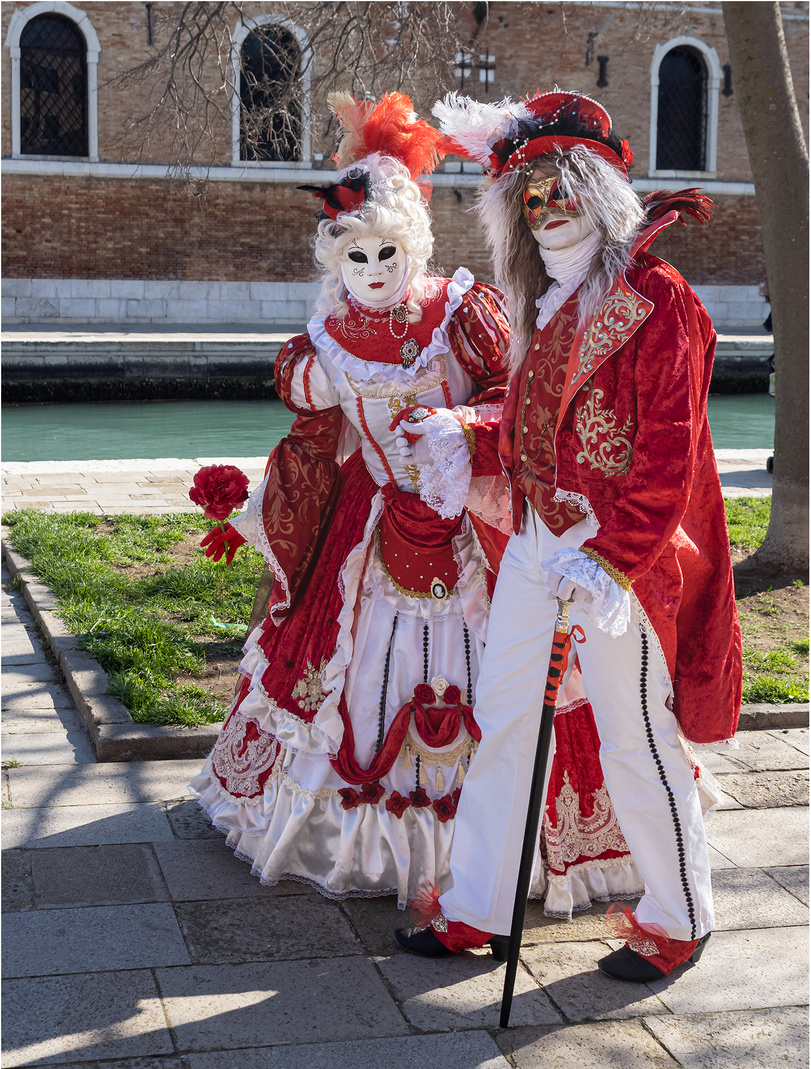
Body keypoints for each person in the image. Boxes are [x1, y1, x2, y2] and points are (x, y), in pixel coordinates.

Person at [190, 92, 644, 917]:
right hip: (368, 529)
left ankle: (496, 857)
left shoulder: (462, 311)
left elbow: (521, 396)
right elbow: (311, 429)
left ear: (415, 246)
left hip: (470, 515)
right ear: (335, 261)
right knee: (339, 667)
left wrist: (459, 430)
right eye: (354, 256)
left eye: (385, 252)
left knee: (514, 674)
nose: (371, 272)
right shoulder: (321, 339)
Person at [394, 89, 741, 980]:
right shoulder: (544, 298)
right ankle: (478, 904)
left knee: (633, 735)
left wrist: (612, 558)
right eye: (529, 196)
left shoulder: (659, 301)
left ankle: (678, 915)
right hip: (539, 543)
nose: (547, 209)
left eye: (561, 190)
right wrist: (468, 433)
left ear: (598, 191)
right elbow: (533, 413)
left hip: (619, 556)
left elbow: (670, 451)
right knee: (506, 716)